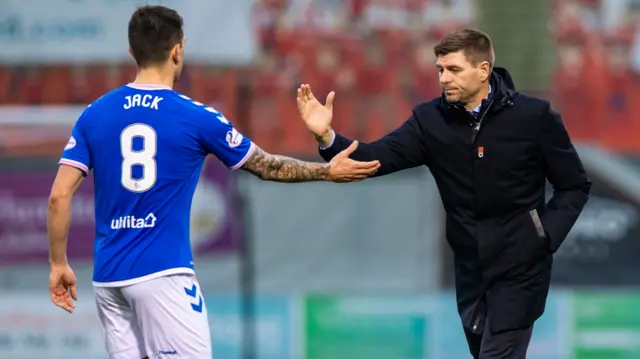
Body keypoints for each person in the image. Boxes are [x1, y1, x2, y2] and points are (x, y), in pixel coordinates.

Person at [46, 5, 380, 359]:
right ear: (178, 50)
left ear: (132, 52)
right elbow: (266, 166)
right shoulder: (197, 117)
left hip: (109, 280)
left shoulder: (94, 114)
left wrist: (58, 265)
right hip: (163, 274)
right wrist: (326, 171)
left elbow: (58, 196)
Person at [297, 28, 590, 359]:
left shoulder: (533, 117)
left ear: (483, 71)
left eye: (453, 70)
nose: (444, 78)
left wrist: (543, 235)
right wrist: (326, 138)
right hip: (469, 271)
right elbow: (372, 160)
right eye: (440, 70)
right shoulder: (429, 120)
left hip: (521, 269)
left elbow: (574, 186)